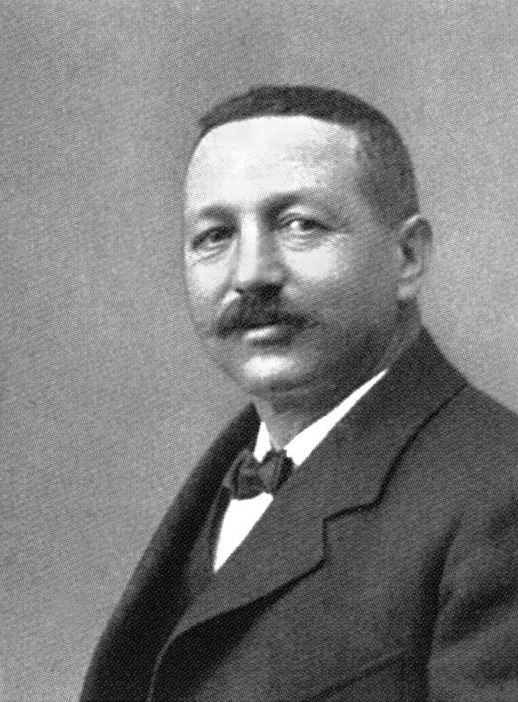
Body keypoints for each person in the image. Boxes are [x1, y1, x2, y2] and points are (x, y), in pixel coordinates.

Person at [80, 85, 518, 702]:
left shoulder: (499, 491)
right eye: (214, 235)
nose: (251, 273)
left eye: (300, 226)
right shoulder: (225, 473)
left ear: (408, 257)